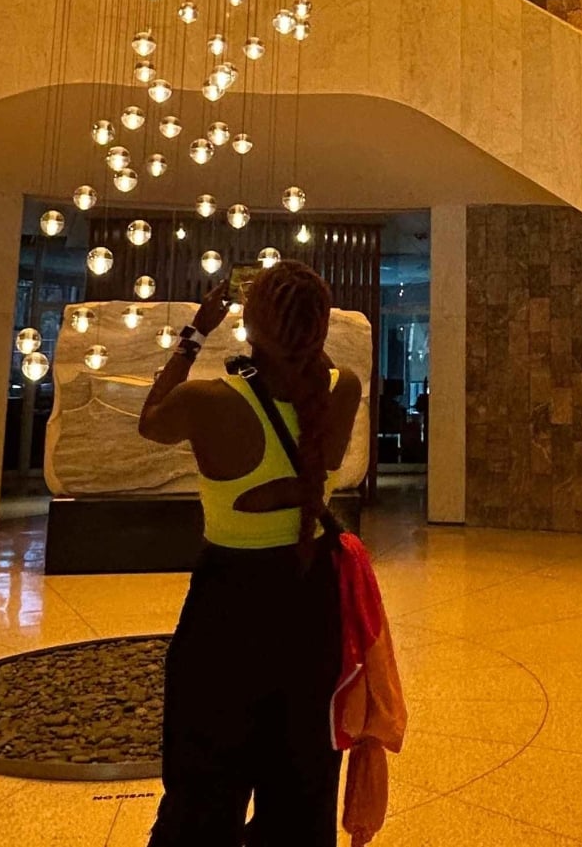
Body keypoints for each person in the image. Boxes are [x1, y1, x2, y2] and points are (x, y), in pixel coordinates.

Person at [138, 262, 364, 847]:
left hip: (228, 605)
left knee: (203, 785)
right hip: (312, 602)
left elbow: (149, 423)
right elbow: (311, 378)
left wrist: (195, 333)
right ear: (319, 327)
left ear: (251, 325)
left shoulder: (207, 401)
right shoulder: (344, 389)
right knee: (303, 785)